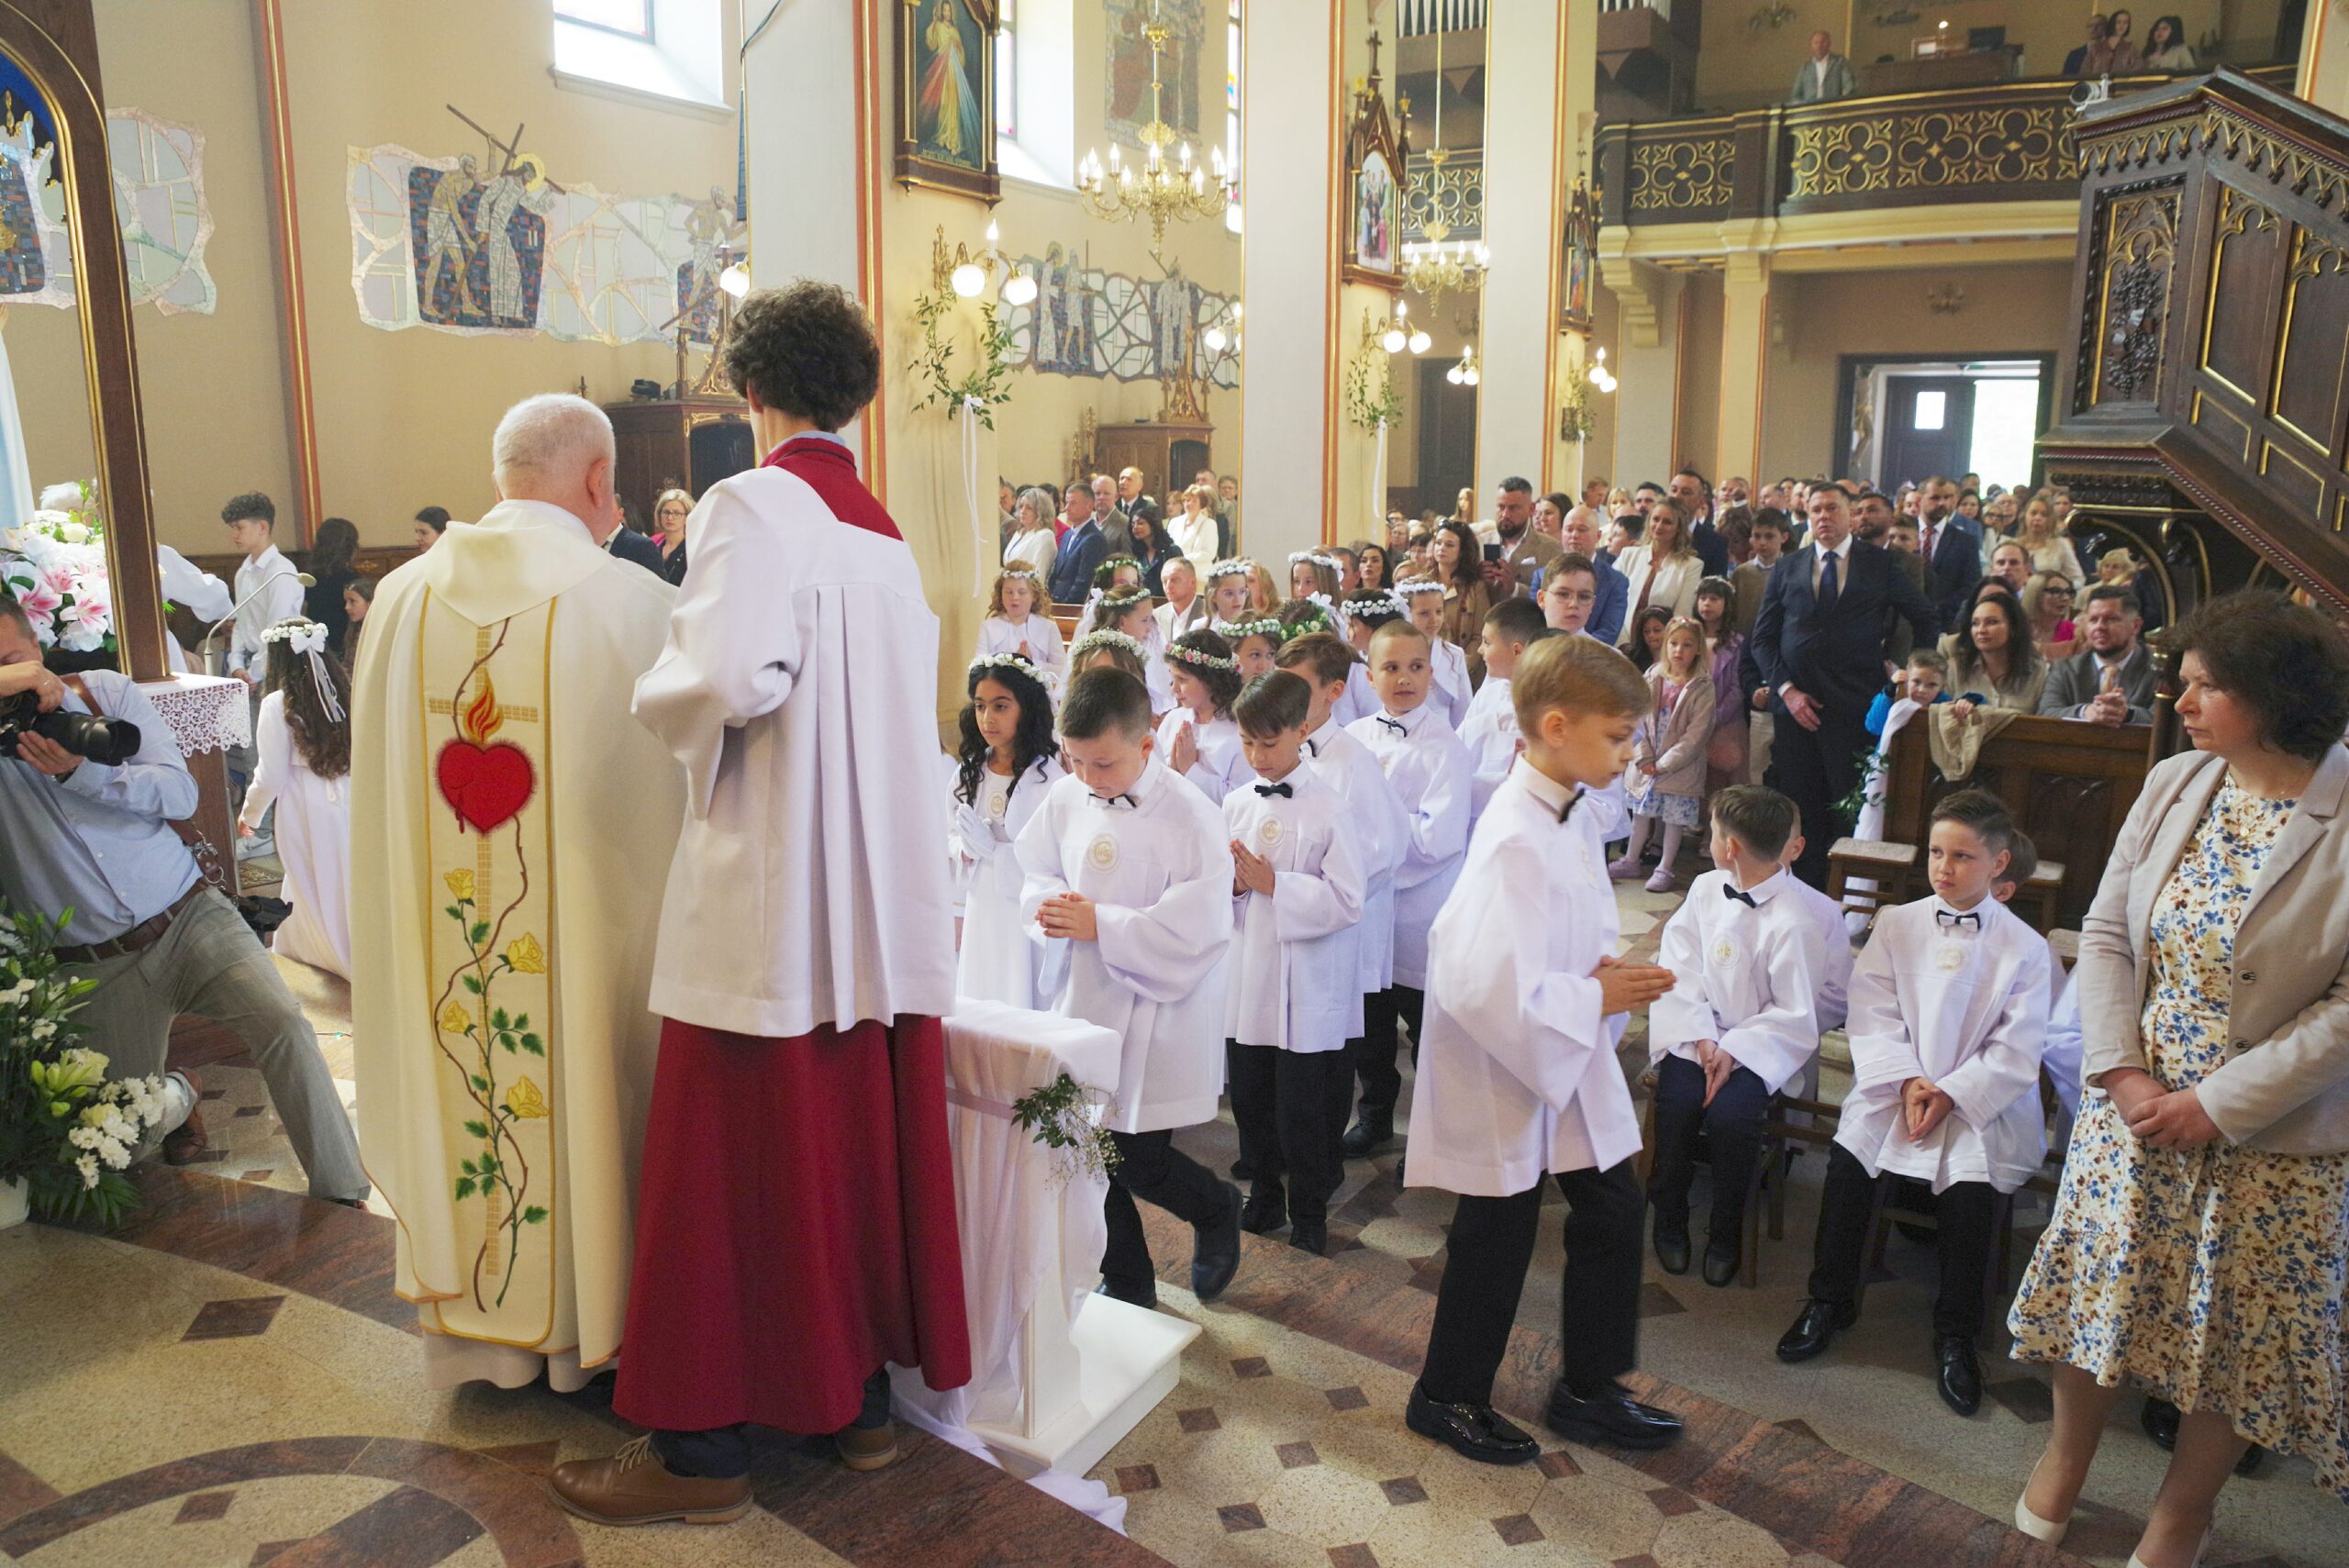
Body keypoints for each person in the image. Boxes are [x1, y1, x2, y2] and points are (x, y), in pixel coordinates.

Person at [551, 284, 968, 1519]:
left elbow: (725, 675)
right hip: (871, 904)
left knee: (723, 1166)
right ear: (859, 395)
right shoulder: (883, 535)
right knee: (842, 1146)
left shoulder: (751, 502)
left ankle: (703, 1450)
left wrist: (657, 696)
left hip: (772, 893)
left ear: (751, 392)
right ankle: (859, 1406)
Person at [351, 394, 685, 1407]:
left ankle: (477, 1335)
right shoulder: (635, 604)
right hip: (586, 958)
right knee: (582, 1079)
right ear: (598, 480)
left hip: (444, 950)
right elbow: (671, 808)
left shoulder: (399, 599)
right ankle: (588, 1322)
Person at [2010, 592, 2349, 1559]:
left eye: (2205, 685)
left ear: (2274, 695)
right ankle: (2065, 1456)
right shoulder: (2175, 781)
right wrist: (2121, 1070)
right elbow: (2107, 931)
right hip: (2138, 1101)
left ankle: (2183, 1510)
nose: (2181, 701)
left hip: (2275, 1129)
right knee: (2102, 1290)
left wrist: (2219, 1103)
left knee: (2238, 1335)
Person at [1404, 635, 1682, 1463]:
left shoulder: (1571, 807)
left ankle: (1588, 1389)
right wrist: (1595, 996)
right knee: (1497, 1228)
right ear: (1556, 727)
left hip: (1564, 1045)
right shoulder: (1514, 835)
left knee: (1613, 1207)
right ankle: (1444, 1395)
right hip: (1508, 1060)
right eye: (1618, 736)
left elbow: (1576, 920)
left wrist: (1601, 971)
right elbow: (1478, 983)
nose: (1629, 753)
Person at [0, 596, 362, 1203]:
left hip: (187, 915)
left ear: (37, 648)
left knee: (283, 1024)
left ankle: (342, 1190)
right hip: (94, 963)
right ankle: (181, 1090)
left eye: (12, 661)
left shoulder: (102, 694)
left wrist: (81, 772)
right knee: (116, 1143)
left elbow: (178, 793)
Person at [1776, 790, 2050, 1419]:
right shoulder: (1897, 924)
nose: (1943, 868)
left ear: (1998, 863)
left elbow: (2017, 1046)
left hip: (1978, 1100)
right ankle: (1829, 1300)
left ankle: (1956, 1335)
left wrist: (1953, 1092)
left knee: (1971, 1191)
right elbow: (1872, 1010)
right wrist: (1906, 1082)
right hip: (1897, 1086)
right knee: (1849, 1165)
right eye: (1935, 852)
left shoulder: (2025, 947)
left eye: (1962, 856)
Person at [1017, 667, 1242, 1308]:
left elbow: (1202, 926)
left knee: (1136, 1155)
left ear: (1146, 746)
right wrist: (1050, 905)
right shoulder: (1068, 795)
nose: (1088, 777)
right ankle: (1129, 1279)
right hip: (1085, 996)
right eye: (1075, 760)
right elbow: (1035, 866)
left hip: (1157, 1004)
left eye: (1104, 763)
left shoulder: (1192, 815)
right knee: (1086, 1144)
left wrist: (1105, 925)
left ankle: (1215, 1206)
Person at [1648, 786, 1825, 1287]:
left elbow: (1793, 1012)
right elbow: (1678, 964)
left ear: (1730, 846)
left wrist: (1733, 1049)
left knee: (1733, 1120)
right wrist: (1703, 1037)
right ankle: (1669, 1216)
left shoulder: (1795, 921)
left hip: (1756, 1049)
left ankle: (1726, 1231)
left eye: (1713, 831)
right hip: (1696, 1032)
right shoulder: (1706, 888)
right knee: (1678, 1105)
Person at [1225, 669, 1367, 1257]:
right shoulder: (1235, 804)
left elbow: (1348, 899)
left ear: (1301, 731)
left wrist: (1276, 885)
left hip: (1307, 982)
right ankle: (1263, 1196)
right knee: (1251, 1099)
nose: (1258, 756)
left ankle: (1309, 1213)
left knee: (1303, 1110)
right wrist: (1236, 887)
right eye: (1247, 742)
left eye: (1269, 742)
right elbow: (1215, 889)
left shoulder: (1330, 808)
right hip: (1250, 978)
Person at [1743, 484, 1939, 888]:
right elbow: (1762, 639)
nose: (1823, 516)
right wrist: (1787, 691)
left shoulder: (1880, 563)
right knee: (1799, 805)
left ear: (1850, 515)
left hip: (1854, 707)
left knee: (1848, 804)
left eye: (1832, 508)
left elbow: (1924, 616)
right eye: (1816, 509)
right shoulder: (1789, 566)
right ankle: (1800, 889)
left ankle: (1844, 894)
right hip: (1795, 708)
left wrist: (1907, 674)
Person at [1342, 618, 1473, 1158]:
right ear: (1369, 676)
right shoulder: (1352, 739)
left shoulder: (1446, 746)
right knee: (1371, 1029)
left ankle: (1431, 1137)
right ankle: (1375, 1118)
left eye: (1416, 667)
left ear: (1432, 673)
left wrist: (1372, 850)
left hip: (1421, 910)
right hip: (1366, 912)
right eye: (1391, 667)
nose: (1404, 678)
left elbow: (1437, 839)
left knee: (1425, 1031)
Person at [1277, 631, 1409, 1161]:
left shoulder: (1353, 760)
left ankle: (1361, 1124)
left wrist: (1326, 894)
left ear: (1333, 691)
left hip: (1343, 918)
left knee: (1356, 1030)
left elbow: (1383, 846)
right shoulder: (1281, 747)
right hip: (1291, 911)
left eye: (1298, 687)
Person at [947, 653, 1063, 1010]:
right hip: (980, 904)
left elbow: (1054, 860)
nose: (987, 718)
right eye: (980, 706)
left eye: (1000, 706)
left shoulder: (1047, 778)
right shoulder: (969, 772)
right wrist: (964, 849)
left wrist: (997, 851)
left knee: (1019, 992)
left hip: (1022, 912)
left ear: (1026, 709)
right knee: (980, 994)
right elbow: (948, 832)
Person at [239, 619, 353, 979]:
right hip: (349, 795)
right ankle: (315, 945)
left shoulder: (277, 703)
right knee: (344, 876)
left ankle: (332, 953)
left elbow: (270, 775)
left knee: (312, 877)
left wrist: (250, 816)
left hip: (306, 803)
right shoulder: (343, 690)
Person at [1610, 617, 1715, 893]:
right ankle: (1631, 859)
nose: (1679, 650)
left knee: (1674, 819)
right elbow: (1639, 718)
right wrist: (1644, 757)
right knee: (1641, 813)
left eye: (1687, 645)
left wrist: (1665, 764)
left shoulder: (1702, 685)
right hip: (1648, 761)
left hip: (1679, 767)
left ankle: (1665, 867)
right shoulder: (1653, 676)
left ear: (1698, 649)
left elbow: (1696, 735)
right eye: (1674, 643)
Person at [1462, 597, 1548, 818]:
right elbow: (1459, 748)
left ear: (1517, 650)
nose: (1480, 650)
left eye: (1487, 642)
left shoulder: (1543, 711)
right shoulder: (1489, 693)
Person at [2038, 584, 2155, 725]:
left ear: (2135, 626)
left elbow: (2167, 719)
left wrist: (2127, 714)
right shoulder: (2065, 668)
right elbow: (2045, 713)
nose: (2099, 627)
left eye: (2111, 619)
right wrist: (2085, 711)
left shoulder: (2158, 669)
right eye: (2093, 620)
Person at [223, 492, 306, 687]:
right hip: (249, 666)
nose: (234, 535)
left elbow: (276, 630)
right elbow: (241, 622)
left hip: (278, 668)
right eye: (232, 528)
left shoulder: (281, 572)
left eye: (239, 527)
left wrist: (254, 674)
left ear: (262, 527)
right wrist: (236, 663)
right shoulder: (244, 571)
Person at [1159, 628, 1249, 803]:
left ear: (1211, 680)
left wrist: (1191, 770)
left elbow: (1238, 801)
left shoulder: (1240, 731)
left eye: (1182, 679)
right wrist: (1172, 770)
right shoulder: (1173, 720)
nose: (1174, 689)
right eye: (1172, 679)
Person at [1943, 589, 2047, 717]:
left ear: (2013, 628)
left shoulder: (2039, 672)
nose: (1981, 630)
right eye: (1975, 623)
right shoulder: (1955, 668)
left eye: (1992, 622)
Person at [1614, 499, 1703, 651]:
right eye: (1655, 519)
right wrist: (1623, 644)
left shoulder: (1691, 566)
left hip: (1662, 648)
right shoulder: (1628, 555)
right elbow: (1612, 603)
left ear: (1678, 528)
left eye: (1667, 522)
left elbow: (1681, 616)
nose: (1659, 526)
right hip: (1619, 644)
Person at [1695, 577, 1747, 795]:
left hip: (1725, 723)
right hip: (1691, 719)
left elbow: (1737, 687)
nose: (1707, 603)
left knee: (1720, 781)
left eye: (1714, 599)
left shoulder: (1736, 643)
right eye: (1703, 598)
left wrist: (1715, 717)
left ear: (1727, 604)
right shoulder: (1689, 637)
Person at [974, 569, 1065, 686]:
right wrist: (1010, 663)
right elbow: (978, 669)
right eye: (1009, 592)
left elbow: (1062, 672)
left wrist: (1032, 661)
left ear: (1034, 596)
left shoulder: (1048, 628)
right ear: (1001, 594)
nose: (1015, 597)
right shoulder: (988, 627)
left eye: (1022, 592)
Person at [1560, 505, 1630, 644]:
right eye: (1569, 529)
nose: (1574, 535)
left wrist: (1569, 649)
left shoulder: (1615, 581)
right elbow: (1535, 624)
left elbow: (1608, 632)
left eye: (1582, 530)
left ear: (1598, 536)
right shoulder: (1542, 575)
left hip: (1591, 653)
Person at [1488, 476, 1563, 598]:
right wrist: (1478, 580)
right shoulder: (1478, 542)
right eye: (1501, 507)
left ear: (1531, 509)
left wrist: (1514, 588)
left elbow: (1554, 597)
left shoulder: (1551, 549)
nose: (1505, 515)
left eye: (1513, 508)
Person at [302, 516, 361, 657]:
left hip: (312, 644)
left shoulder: (309, 577)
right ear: (349, 548)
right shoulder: (351, 579)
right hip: (342, 646)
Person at [1731, 510, 1787, 639]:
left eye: (1769, 536)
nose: (1762, 542)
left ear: (1784, 537)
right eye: (1757, 536)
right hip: (1744, 639)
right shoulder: (1741, 572)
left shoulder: (1792, 570)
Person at [1049, 484, 1109, 606]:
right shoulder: (1067, 534)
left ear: (1089, 506)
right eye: (1066, 503)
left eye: (1073, 503)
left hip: (1073, 607)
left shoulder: (1094, 538)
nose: (1067, 508)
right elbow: (1057, 573)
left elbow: (1084, 581)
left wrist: (1066, 605)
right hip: (1055, 602)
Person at [1668, 470, 1731, 577]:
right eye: (1674, 490)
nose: (1677, 496)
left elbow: (1715, 584)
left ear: (1701, 502)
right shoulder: (1654, 533)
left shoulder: (1715, 543)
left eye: (1686, 492)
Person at [2017, 497, 2087, 587]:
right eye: (2033, 513)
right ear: (2025, 516)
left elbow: (2078, 579)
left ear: (2050, 520)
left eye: (2044, 515)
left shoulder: (2061, 544)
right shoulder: (2013, 545)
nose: (2037, 518)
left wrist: (2062, 589)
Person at [2022, 572, 2079, 662]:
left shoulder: (2075, 632)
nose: (2065, 598)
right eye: (2056, 591)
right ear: (2035, 594)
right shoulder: (2016, 631)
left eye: (2068, 592)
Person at [1788, 28, 1854, 105]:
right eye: (1816, 43)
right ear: (1811, 46)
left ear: (1829, 44)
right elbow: (1796, 95)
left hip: (1833, 108)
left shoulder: (1840, 63)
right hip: (1811, 109)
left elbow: (1849, 87)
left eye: (1823, 42)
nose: (1819, 46)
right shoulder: (1805, 68)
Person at [1170, 482, 1224, 567]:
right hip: (1177, 569)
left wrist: (1184, 558)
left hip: (1199, 572)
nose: (1189, 503)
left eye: (1194, 501)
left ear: (1201, 504)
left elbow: (1210, 553)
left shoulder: (1209, 524)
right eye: (1187, 500)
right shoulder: (1174, 522)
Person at [1154, 556, 1207, 642]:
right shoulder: (1156, 615)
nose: (1168, 586)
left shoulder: (1209, 614)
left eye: (1175, 580)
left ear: (1192, 583)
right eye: (1164, 581)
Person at [653, 486, 695, 585]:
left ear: (687, 517)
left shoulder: (692, 549)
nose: (670, 517)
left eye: (677, 513)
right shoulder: (653, 546)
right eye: (666, 512)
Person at [340, 576, 375, 663]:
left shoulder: (378, 632)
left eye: (352, 601)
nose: (347, 607)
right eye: (346, 602)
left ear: (370, 603)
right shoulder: (353, 632)